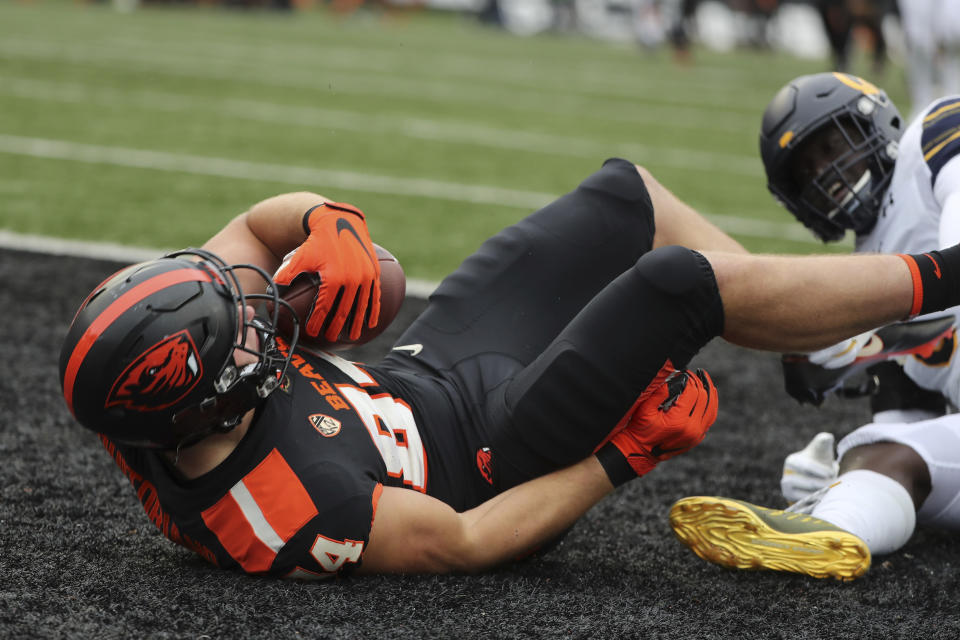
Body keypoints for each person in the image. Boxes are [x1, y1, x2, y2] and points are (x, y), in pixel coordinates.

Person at [59, 157, 960, 579]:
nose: (260, 322)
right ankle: (938, 284)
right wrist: (620, 458)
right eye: (240, 339)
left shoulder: (145, 404)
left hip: (428, 371)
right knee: (676, 286)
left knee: (625, 194)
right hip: (495, 454)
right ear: (209, 401)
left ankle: (821, 336)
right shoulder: (290, 510)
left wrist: (331, 219)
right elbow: (468, 544)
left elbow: (261, 229)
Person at [670, 71, 960, 581]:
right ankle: (827, 526)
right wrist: (840, 476)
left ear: (875, 121)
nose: (827, 173)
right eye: (807, 171)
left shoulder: (936, 135)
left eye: (831, 146)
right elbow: (909, 419)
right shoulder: (861, 275)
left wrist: (871, 338)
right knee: (877, 455)